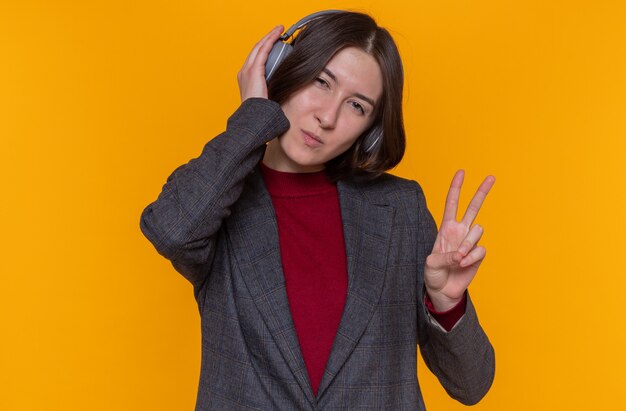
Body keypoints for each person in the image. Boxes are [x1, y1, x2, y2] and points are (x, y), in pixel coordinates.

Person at [140, 10, 495, 410]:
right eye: (321, 82)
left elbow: (472, 384)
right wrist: (252, 118)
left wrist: (446, 304)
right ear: (282, 69)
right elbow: (171, 231)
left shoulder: (400, 210)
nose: (327, 117)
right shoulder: (221, 199)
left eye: (357, 106)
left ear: (371, 129)